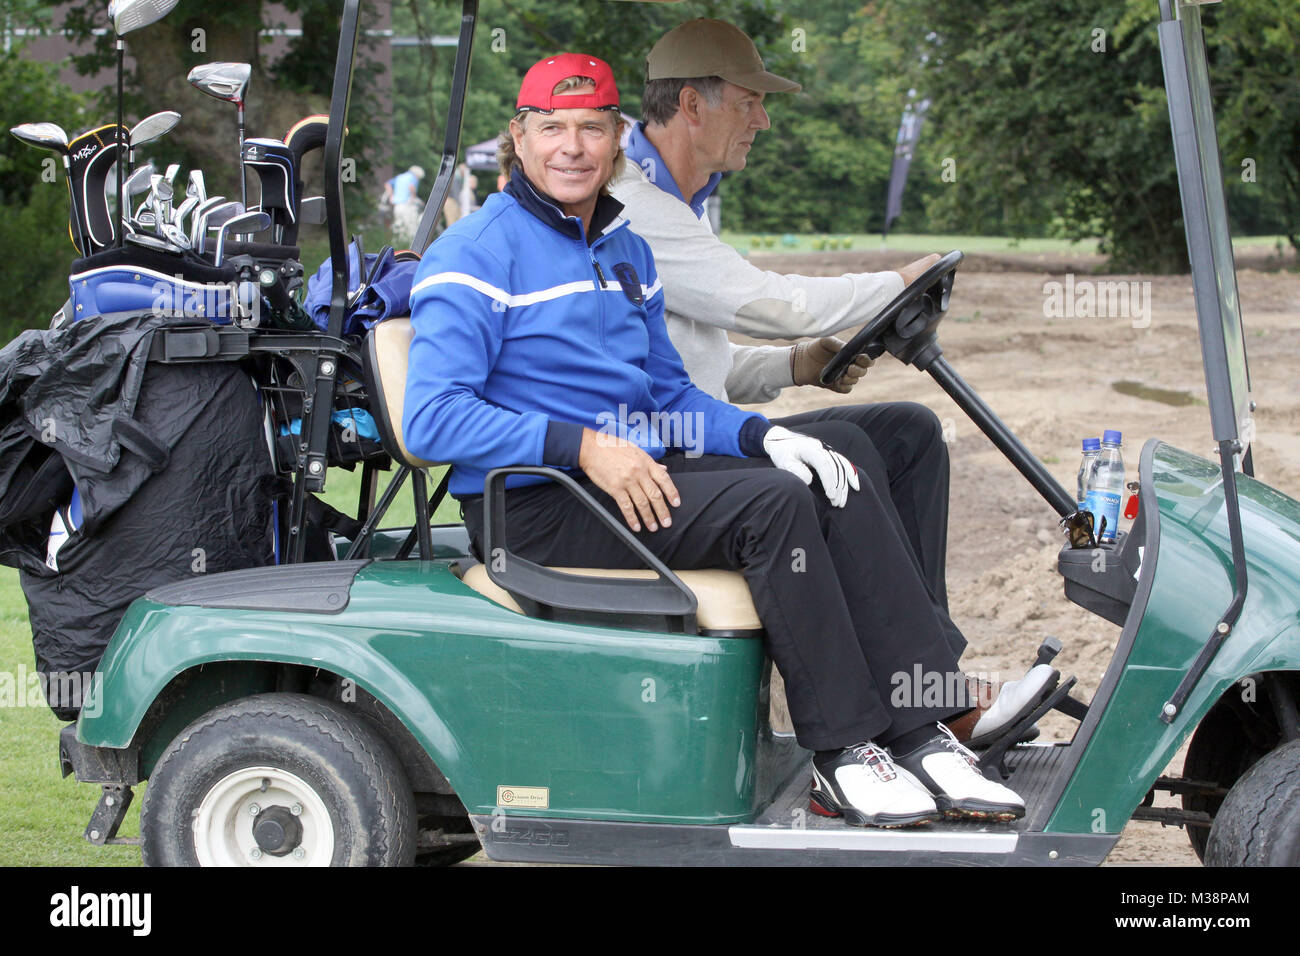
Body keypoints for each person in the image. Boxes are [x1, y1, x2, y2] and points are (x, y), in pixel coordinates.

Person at [404, 53, 1026, 827]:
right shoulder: (474, 255)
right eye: (553, 128)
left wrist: (761, 433)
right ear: (520, 137)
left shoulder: (623, 249)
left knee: (828, 469)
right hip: (538, 504)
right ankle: (841, 753)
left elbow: (667, 394)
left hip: (631, 477)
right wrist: (582, 447)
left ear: (616, 139)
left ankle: (921, 727)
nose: (572, 147)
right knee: (772, 508)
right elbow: (431, 419)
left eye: (591, 129)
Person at [609, 18, 1056, 742]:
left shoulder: (678, 203)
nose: (762, 120)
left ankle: (927, 670)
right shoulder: (640, 210)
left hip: (699, 427)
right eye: (749, 101)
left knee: (906, 435)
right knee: (842, 448)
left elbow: (700, 363)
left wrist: (797, 366)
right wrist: (894, 283)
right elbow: (768, 303)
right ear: (692, 106)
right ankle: (936, 698)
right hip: (662, 455)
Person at [383, 164, 425, 245]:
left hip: (397, 206)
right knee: (411, 229)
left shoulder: (400, 177)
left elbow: (387, 184)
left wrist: (391, 196)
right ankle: (410, 248)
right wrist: (413, 197)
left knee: (399, 227)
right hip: (407, 206)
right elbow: (411, 187)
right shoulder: (413, 177)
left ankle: (397, 246)